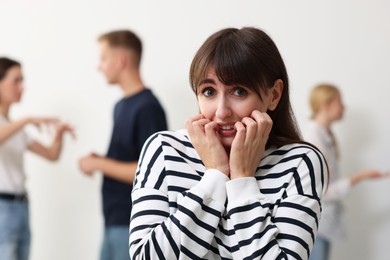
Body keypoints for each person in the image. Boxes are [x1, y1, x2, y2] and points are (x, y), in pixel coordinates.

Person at [129, 27, 327, 260]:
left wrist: (243, 180)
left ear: (273, 95)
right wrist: (215, 175)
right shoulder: (164, 150)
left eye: (239, 91)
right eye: (209, 91)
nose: (222, 112)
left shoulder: (300, 162)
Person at [78, 30, 167, 260]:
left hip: (131, 223)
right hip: (112, 219)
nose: (100, 66)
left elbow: (150, 172)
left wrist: (98, 164)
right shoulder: (120, 106)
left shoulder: (148, 108)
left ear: (120, 60)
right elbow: (128, 158)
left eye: (103, 58)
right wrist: (100, 160)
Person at [0, 57, 74, 260]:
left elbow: (51, 155)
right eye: (16, 80)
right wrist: (28, 120)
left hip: (21, 206)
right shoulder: (14, 126)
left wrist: (58, 136)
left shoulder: (15, 127)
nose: (21, 87)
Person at [305, 83, 389, 260]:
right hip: (317, 227)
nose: (344, 107)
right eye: (339, 101)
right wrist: (359, 177)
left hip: (323, 226)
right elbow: (322, 192)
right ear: (326, 105)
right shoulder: (314, 138)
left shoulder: (324, 135)